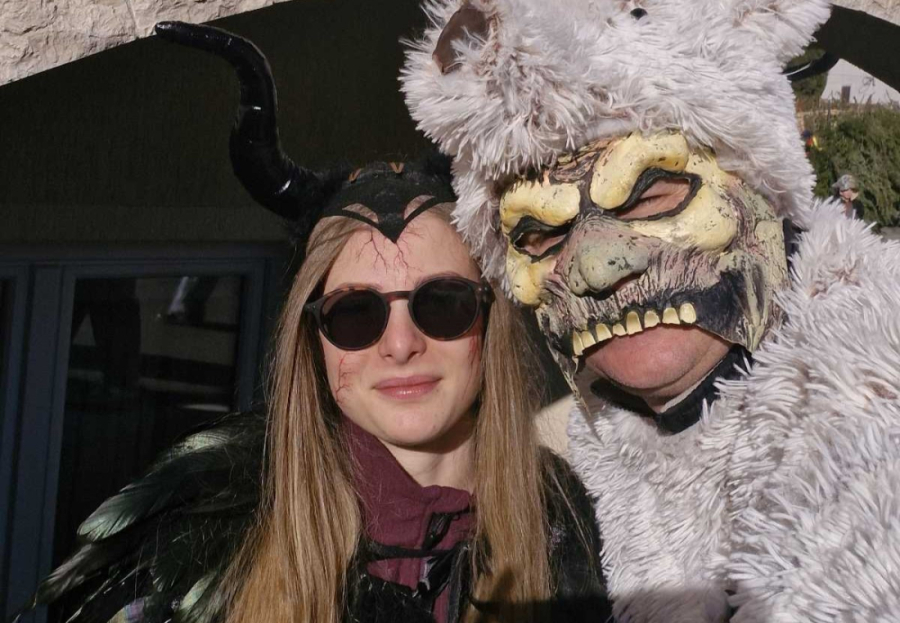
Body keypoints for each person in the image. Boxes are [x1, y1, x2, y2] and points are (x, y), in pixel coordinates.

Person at [24, 22, 611, 623]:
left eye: (442, 303)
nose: (401, 345)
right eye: (356, 313)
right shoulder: (196, 548)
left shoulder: (576, 528)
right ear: (313, 342)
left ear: (490, 320)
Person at [403, 0, 900, 621]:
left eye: (650, 197)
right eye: (542, 235)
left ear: (761, 197)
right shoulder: (582, 467)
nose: (594, 266)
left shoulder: (872, 409)